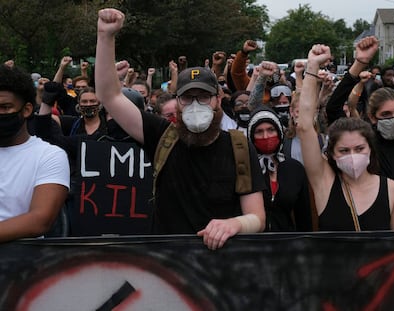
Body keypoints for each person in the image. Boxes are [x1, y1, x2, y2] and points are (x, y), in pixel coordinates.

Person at [95, 8, 266, 250]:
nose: (196, 105)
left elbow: (257, 218)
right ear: (177, 102)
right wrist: (105, 36)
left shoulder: (239, 146)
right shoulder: (162, 136)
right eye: (188, 98)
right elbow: (109, 95)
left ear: (218, 99)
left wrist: (235, 224)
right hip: (167, 268)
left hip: (219, 267)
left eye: (204, 97)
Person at [297, 43, 394, 231]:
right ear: (331, 153)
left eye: (359, 149)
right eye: (344, 150)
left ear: (370, 148)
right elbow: (305, 127)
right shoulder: (324, 182)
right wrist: (312, 66)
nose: (353, 155)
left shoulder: (392, 189)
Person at [0, 64, 70, 242]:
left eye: (5, 107)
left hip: (22, 263)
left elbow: (40, 220)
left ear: (27, 110)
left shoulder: (49, 156)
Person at [247, 106, 312, 231]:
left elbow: (304, 216)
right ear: (251, 136)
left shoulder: (295, 168)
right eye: (259, 131)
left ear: (279, 132)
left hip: (287, 244)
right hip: (253, 244)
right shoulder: (245, 168)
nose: (266, 136)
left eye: (271, 130)